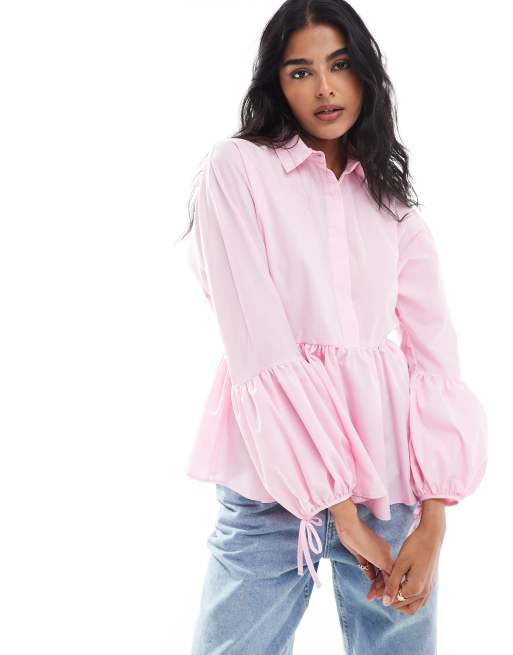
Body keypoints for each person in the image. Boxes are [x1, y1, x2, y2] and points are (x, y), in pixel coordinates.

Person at [180, 1, 488, 652]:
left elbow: (434, 360)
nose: (324, 87)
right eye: (301, 71)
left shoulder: (391, 205)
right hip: (272, 482)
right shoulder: (236, 170)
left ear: (365, 74)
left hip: (389, 483)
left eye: (339, 65)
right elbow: (259, 344)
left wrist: (433, 522)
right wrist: (340, 513)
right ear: (276, 84)